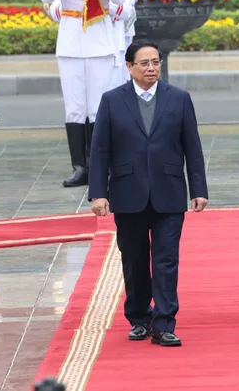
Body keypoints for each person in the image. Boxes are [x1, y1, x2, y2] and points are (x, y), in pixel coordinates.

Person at [88, 41, 208, 347]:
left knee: (167, 260)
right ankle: (139, 317)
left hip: (169, 192)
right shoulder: (112, 101)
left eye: (156, 62)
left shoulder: (179, 99)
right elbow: (100, 151)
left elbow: (192, 148)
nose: (151, 68)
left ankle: (165, 323)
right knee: (135, 259)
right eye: (144, 63)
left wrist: (199, 189)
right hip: (128, 194)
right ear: (129, 67)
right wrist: (98, 193)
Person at [38, 0, 128, 187]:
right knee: (75, 108)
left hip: (100, 44)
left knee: (98, 109)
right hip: (70, 44)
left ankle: (102, 166)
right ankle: (80, 167)